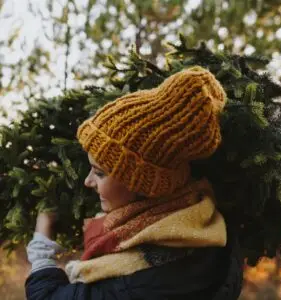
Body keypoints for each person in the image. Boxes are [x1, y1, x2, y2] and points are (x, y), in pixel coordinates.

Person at [25, 66, 243, 299]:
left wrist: (42, 237)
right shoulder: (204, 222)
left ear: (141, 183)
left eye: (99, 173)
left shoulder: (141, 281)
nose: (87, 182)